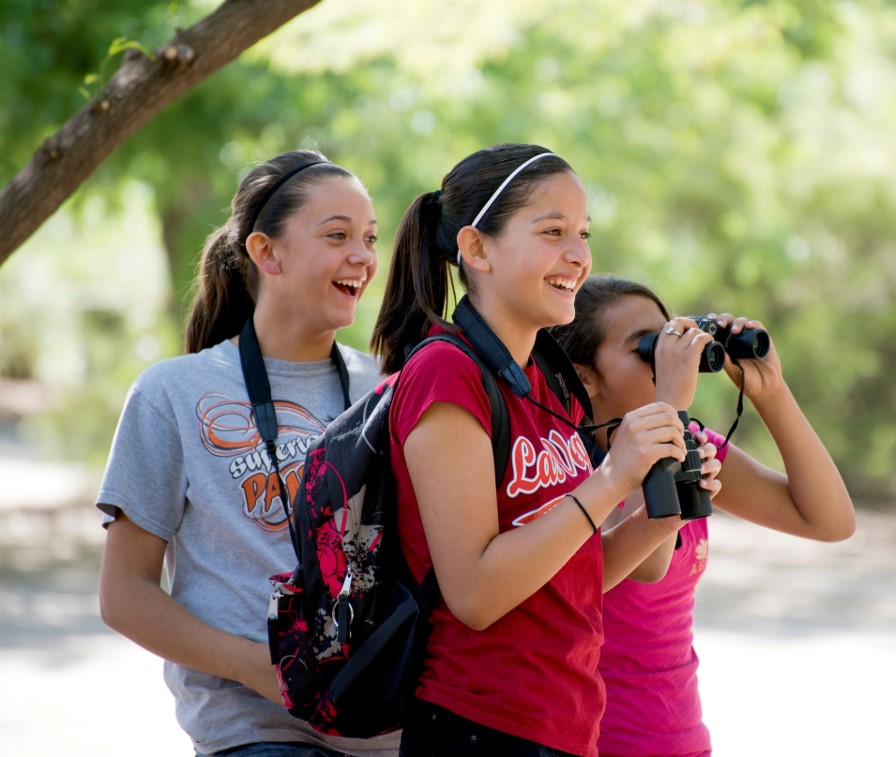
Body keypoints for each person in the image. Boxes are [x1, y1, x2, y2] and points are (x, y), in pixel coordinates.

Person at [369, 144, 720, 757]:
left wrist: (666, 507)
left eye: (583, 233)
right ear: (476, 249)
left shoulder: (546, 379)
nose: (579, 255)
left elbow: (574, 578)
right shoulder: (445, 372)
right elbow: (476, 595)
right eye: (553, 231)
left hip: (565, 725)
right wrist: (611, 477)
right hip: (478, 725)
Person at [96, 149, 401, 756]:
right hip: (256, 732)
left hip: (387, 731)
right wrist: (260, 667)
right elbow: (124, 594)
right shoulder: (172, 393)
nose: (363, 257)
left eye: (369, 238)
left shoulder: (393, 387)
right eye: (337, 235)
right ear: (267, 252)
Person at [550, 275, 857, 757]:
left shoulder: (692, 444)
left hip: (684, 743)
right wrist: (669, 400)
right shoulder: (569, 468)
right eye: (648, 350)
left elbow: (829, 520)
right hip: (600, 745)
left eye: (672, 341)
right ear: (585, 377)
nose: (672, 360)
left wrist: (770, 392)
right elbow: (646, 561)